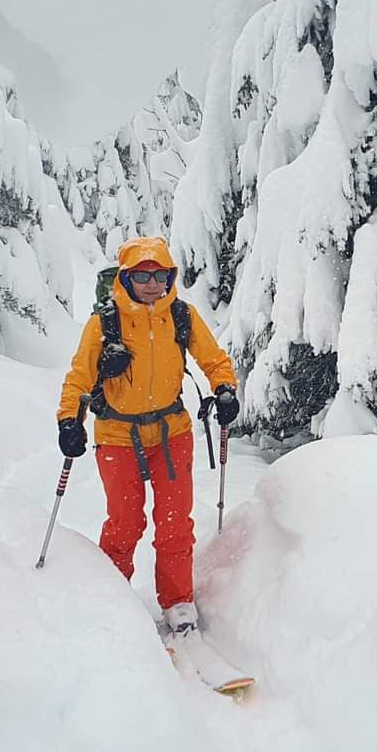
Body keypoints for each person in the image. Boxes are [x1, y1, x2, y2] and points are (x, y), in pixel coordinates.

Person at [56, 236, 239, 637]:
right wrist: (69, 421)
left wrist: (225, 388)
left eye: (160, 275)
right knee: (125, 523)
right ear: (127, 278)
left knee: (175, 523)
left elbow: (214, 359)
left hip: (172, 432)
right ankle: (111, 597)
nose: (152, 284)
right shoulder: (105, 323)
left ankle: (178, 601)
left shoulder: (181, 316)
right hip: (116, 434)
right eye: (142, 275)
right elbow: (79, 377)